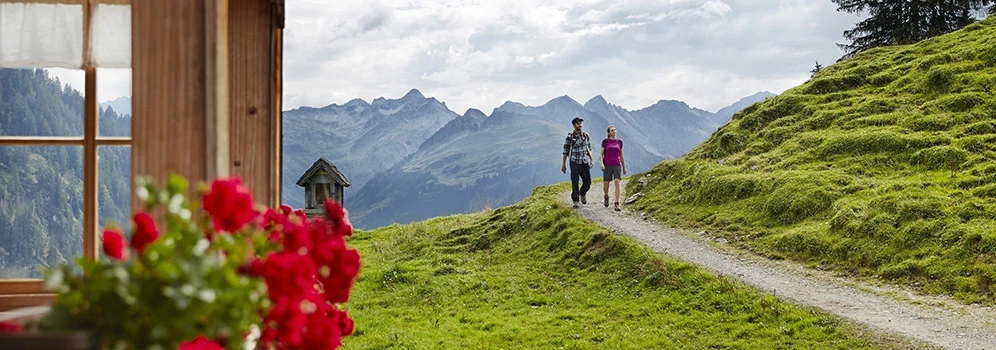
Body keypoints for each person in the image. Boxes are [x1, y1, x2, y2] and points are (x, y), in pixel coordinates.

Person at [561, 116, 594, 208]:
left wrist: (591, 160)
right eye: (578, 123)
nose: (580, 125)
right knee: (575, 181)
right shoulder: (570, 137)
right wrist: (563, 165)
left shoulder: (586, 136)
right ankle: (575, 200)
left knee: (588, 181)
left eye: (580, 123)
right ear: (573, 125)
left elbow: (588, 149)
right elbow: (565, 151)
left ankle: (582, 193)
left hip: (584, 161)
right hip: (574, 161)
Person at [600, 125, 626, 211]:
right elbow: (601, 154)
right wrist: (602, 164)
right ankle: (606, 196)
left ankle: (617, 203)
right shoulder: (605, 142)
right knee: (606, 185)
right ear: (608, 133)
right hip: (607, 165)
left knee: (617, 182)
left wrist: (624, 167)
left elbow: (621, 155)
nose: (614, 132)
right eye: (612, 130)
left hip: (617, 164)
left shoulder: (619, 142)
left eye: (615, 130)